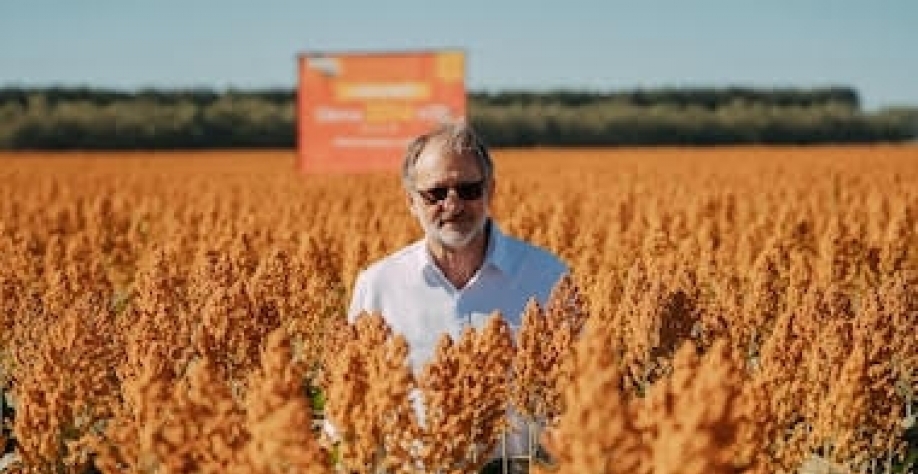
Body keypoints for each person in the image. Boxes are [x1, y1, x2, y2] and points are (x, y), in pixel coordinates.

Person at [347, 121, 568, 472]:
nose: (453, 204)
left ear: (490, 191)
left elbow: (584, 390)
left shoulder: (547, 277)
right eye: (435, 193)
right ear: (410, 201)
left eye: (468, 189)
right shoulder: (379, 286)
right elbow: (350, 399)